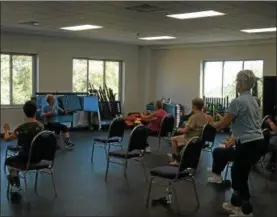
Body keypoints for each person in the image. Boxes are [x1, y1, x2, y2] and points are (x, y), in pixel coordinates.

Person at [212, 70, 264, 216]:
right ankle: (236, 204)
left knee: (238, 174)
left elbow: (222, 125)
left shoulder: (238, 101)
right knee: (239, 172)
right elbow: (241, 121)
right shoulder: (253, 100)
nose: (236, 84)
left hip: (248, 144)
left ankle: (246, 211)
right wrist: (222, 120)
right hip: (257, 142)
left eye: (237, 81)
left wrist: (212, 124)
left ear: (241, 83)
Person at [3, 101, 44, 192]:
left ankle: (15, 183)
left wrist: (6, 130)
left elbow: (7, 138)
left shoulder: (21, 128)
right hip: (38, 157)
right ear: (35, 111)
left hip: (25, 158)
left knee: (9, 161)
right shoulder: (41, 126)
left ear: (24, 112)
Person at [169, 98, 207, 165]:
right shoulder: (204, 116)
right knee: (179, 137)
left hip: (191, 139)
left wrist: (178, 129)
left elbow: (185, 130)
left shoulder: (194, 117)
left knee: (173, 139)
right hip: (198, 138)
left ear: (194, 106)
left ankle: (176, 160)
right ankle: (180, 156)